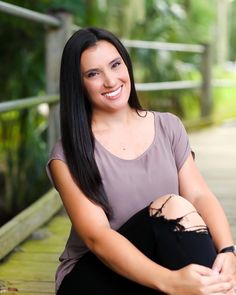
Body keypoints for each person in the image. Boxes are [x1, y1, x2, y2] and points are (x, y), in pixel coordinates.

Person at [46, 26, 236, 294]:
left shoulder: (168, 126)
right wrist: (171, 282)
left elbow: (199, 195)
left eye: (115, 65)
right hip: (95, 277)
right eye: (93, 74)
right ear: (78, 83)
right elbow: (96, 237)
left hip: (160, 268)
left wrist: (228, 251)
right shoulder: (67, 153)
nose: (111, 81)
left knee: (187, 222)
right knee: (170, 206)